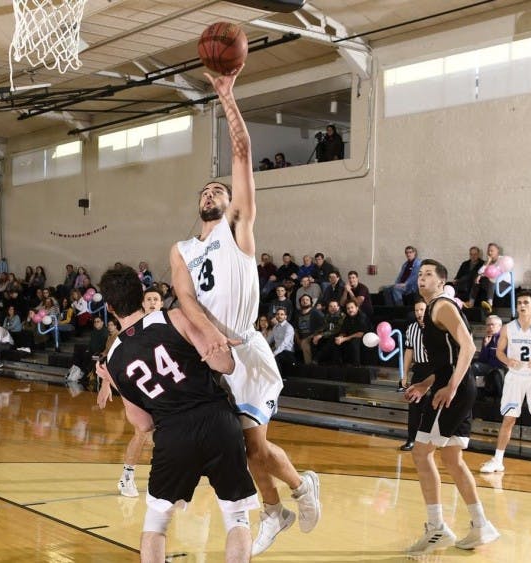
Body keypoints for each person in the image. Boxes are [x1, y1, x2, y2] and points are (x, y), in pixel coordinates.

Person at [170, 67, 320, 557]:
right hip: (213, 351)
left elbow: (241, 155)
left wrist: (226, 96)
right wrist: (207, 336)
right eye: (206, 190)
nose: (212, 192)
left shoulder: (238, 231)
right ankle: (274, 510)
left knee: (252, 447)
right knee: (238, 449)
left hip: (246, 351)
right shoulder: (182, 249)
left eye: (220, 190)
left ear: (234, 206)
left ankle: (299, 489)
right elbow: (185, 299)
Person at [96, 265, 258, 563]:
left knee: (156, 524)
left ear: (109, 307)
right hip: (217, 421)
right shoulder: (176, 318)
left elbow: (143, 423)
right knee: (236, 518)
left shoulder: (114, 359)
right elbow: (225, 366)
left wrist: (115, 382)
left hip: (173, 433)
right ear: (143, 295)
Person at [403, 259, 499, 555]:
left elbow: (469, 346)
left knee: (421, 453)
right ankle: (481, 524)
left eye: (428, 274)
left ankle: (436, 528)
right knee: (453, 459)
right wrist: (426, 383)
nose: (422, 278)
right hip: (454, 385)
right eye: (419, 274)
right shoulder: (435, 309)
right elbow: (448, 360)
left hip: (454, 390)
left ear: (442, 282)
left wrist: (451, 387)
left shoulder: (442, 305)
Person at [479, 290, 531, 479]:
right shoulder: (508, 328)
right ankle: (498, 460)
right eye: (520, 302)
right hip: (515, 376)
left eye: (526, 302)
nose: (522, 305)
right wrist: (507, 360)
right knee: (508, 419)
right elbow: (499, 352)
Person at [100, 288, 165, 498]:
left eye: (156, 299)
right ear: (142, 305)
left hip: (164, 386)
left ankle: (166, 476)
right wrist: (105, 383)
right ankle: (127, 477)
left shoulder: (169, 324)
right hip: (139, 386)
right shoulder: (131, 330)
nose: (153, 302)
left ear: (162, 304)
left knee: (165, 433)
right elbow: (108, 360)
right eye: (149, 299)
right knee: (143, 432)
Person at [399, 296, 429, 451]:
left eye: (422, 309)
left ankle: (432, 442)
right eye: (417, 310)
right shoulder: (411, 328)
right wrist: (404, 374)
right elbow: (409, 352)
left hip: (435, 370)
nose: (419, 313)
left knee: (433, 406)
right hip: (419, 369)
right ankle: (411, 439)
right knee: (414, 406)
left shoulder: (436, 326)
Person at [470, 315, 507, 399]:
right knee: (474, 367)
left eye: (492, 325)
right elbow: (482, 360)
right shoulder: (487, 338)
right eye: (488, 325)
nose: (490, 327)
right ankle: (474, 393)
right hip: (489, 366)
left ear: (500, 326)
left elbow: (504, 358)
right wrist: (485, 346)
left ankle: (501, 398)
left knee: (496, 374)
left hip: (501, 367)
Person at [466, 243, 502, 313]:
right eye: (488, 251)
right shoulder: (488, 261)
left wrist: (484, 275)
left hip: (500, 284)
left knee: (491, 279)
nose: (489, 252)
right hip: (490, 283)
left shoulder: (502, 260)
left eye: (492, 251)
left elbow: (496, 273)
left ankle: (490, 304)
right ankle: (471, 302)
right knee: (477, 279)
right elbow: (480, 272)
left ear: (497, 251)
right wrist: (487, 262)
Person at [293, 294, 324, 365]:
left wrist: (318, 334)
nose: (305, 301)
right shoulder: (298, 314)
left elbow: (324, 325)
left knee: (304, 343)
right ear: (300, 302)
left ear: (311, 302)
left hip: (313, 335)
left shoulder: (316, 312)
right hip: (301, 337)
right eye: (303, 300)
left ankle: (309, 366)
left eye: (307, 300)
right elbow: (295, 329)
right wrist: (298, 340)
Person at [267, 308, 296, 375]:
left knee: (275, 357)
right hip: (278, 352)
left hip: (288, 352)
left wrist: (274, 353)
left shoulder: (289, 327)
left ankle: (280, 378)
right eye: (277, 314)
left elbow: (284, 344)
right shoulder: (275, 327)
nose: (279, 316)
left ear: (285, 316)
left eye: (282, 314)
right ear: (275, 316)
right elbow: (268, 340)